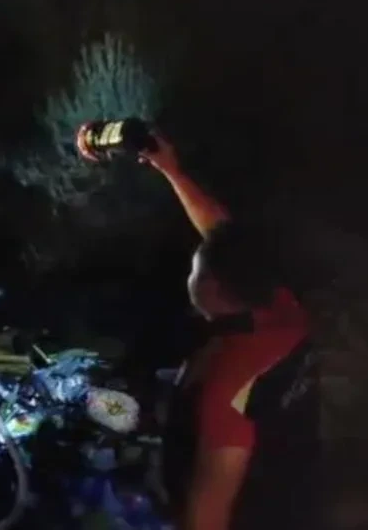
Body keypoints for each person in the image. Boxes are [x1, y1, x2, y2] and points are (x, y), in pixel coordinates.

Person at [133, 132, 317, 530]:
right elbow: (224, 237)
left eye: (196, 266)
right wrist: (172, 171)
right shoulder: (280, 311)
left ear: (211, 288)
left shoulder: (228, 383)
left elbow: (208, 514)